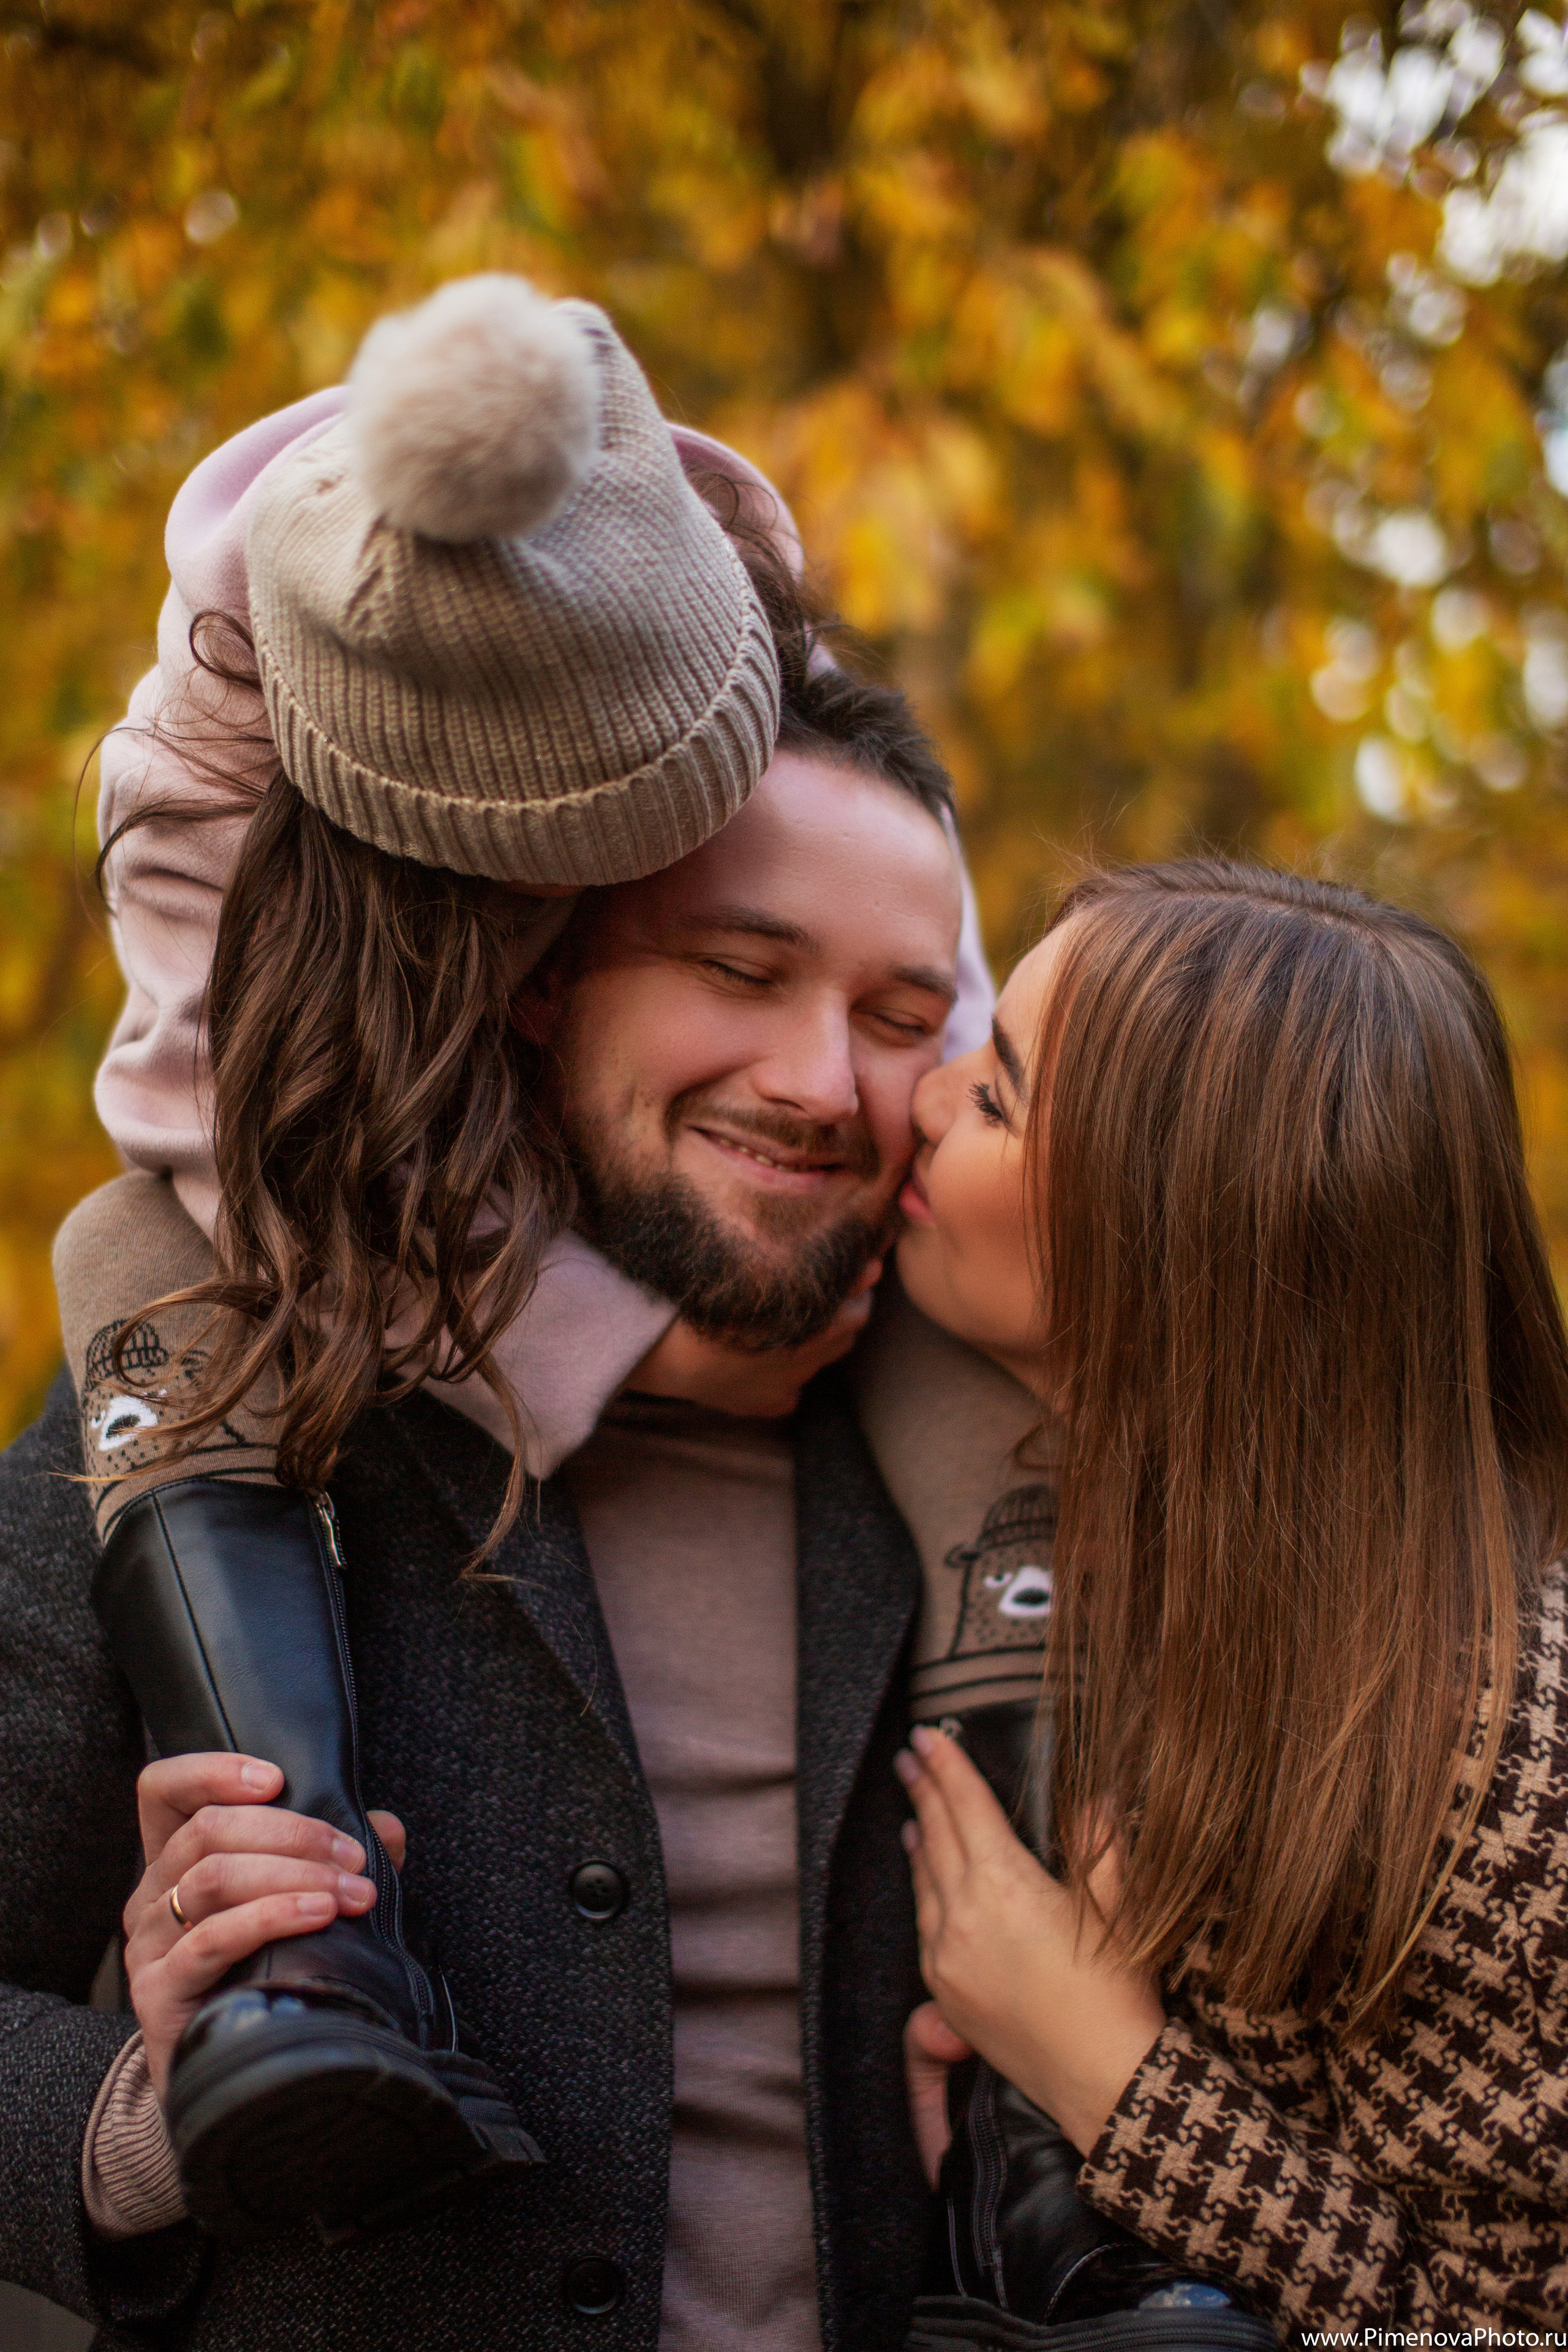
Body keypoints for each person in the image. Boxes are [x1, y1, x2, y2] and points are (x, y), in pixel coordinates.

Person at [0, 364, 1000, 2344]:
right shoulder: (215, 1395)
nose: (825, 1082)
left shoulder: (975, 1442)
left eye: (905, 1015)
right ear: (536, 983)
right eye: (737, 970)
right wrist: (142, 2117)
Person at [891, 859, 1568, 2339]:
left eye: (994, 1099)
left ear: (1177, 1252)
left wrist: (1109, 2081)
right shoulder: (1202, 1602)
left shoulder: (1516, 1769)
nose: (924, 1105)